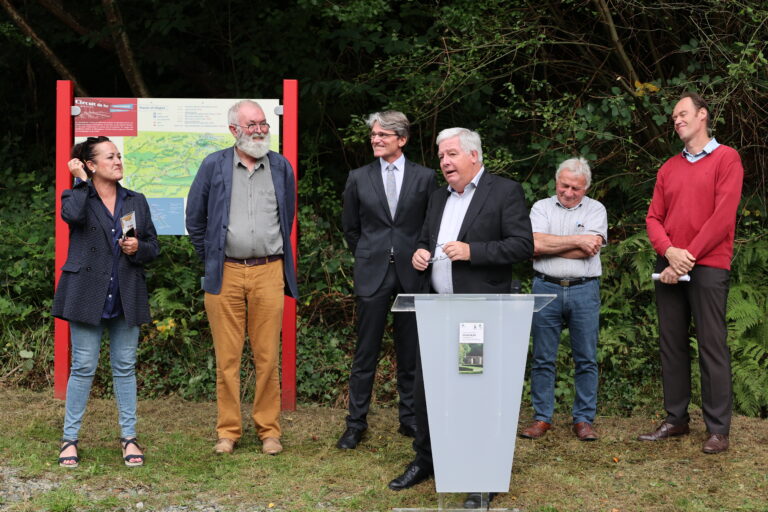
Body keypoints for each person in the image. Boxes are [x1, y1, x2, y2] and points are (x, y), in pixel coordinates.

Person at [388, 128, 533, 509]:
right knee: (428, 390)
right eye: (441, 157)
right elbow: (425, 239)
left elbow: (522, 245)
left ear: (473, 155)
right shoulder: (438, 198)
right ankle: (427, 460)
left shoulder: (504, 191)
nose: (445, 162)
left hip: (476, 315)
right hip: (437, 311)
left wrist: (473, 251)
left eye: (451, 154)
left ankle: (480, 475)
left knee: (474, 394)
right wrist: (420, 254)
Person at [185, 100, 298, 456]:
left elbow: (288, 215)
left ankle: (269, 431)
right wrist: (213, 259)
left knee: (267, 356)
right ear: (234, 130)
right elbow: (195, 219)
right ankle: (228, 431)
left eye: (263, 123)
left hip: (269, 270)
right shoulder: (214, 165)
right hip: (226, 272)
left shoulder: (280, 167)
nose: (260, 129)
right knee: (227, 358)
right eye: (252, 124)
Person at [641, 92, 743, 454]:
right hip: (669, 265)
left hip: (710, 264)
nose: (676, 120)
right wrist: (669, 252)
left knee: (712, 344)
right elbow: (653, 218)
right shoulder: (668, 167)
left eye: (682, 114)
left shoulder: (726, 158)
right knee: (671, 343)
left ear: (703, 115)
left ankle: (718, 429)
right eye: (673, 116)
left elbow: (723, 216)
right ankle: (676, 419)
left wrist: (689, 256)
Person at [53, 136, 159, 468]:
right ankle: (69, 439)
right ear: (91, 165)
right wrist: (81, 182)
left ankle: (129, 438)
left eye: (119, 156)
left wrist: (137, 249)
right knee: (83, 367)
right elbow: (72, 217)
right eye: (109, 156)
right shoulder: (75, 195)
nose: (118, 161)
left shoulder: (135, 201)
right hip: (86, 293)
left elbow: (153, 246)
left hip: (125, 294)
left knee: (125, 368)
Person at [337, 111, 437, 450]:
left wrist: (420, 251)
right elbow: (350, 227)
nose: (376, 140)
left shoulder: (425, 178)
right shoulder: (358, 177)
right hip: (372, 274)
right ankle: (355, 424)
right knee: (365, 353)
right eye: (374, 135)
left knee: (410, 353)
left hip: (412, 274)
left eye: (383, 135)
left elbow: (430, 226)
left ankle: (409, 419)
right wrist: (369, 252)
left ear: (402, 139)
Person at [521, 157, 607, 442]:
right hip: (545, 287)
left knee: (586, 358)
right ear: (556, 182)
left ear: (586, 188)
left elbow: (590, 250)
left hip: (584, 289)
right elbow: (532, 246)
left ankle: (583, 419)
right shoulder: (540, 207)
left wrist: (551, 244)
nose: (569, 193)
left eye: (576, 188)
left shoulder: (596, 209)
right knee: (543, 357)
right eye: (564, 185)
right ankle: (542, 418)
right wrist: (576, 240)